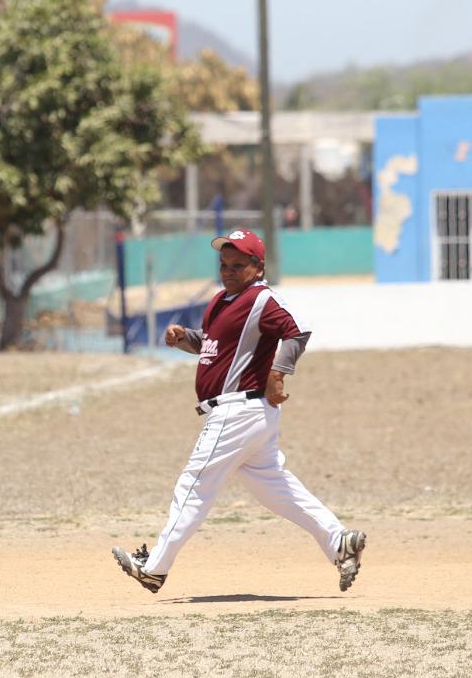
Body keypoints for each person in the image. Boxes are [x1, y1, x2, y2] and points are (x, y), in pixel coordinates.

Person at [112, 228, 366, 595]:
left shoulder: (262, 299)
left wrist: (279, 374)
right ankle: (339, 541)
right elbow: (213, 346)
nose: (228, 270)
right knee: (275, 489)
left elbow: (298, 332)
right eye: (224, 263)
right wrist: (184, 338)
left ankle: (154, 568)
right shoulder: (220, 302)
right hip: (247, 415)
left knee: (195, 484)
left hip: (237, 411)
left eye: (238, 264)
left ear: (257, 266)